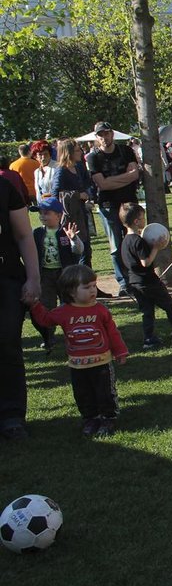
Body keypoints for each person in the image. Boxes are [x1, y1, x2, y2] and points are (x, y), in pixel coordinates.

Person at [29, 265, 127, 438]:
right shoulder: (63, 312)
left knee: (105, 393)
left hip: (101, 363)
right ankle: (90, 419)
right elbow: (45, 320)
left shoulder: (100, 310)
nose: (92, 290)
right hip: (77, 365)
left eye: (94, 286)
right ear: (72, 292)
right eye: (86, 287)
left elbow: (112, 332)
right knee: (83, 394)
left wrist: (120, 351)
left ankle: (108, 418)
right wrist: (34, 305)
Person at [119, 202, 172, 350]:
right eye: (142, 217)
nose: (144, 220)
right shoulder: (138, 241)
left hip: (134, 282)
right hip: (148, 282)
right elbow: (145, 262)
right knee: (168, 303)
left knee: (147, 311)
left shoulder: (125, 241)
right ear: (136, 221)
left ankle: (149, 339)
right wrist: (156, 247)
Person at [0, 174, 40, 441]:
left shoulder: (4, 188)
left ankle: (12, 416)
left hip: (6, 278)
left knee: (7, 344)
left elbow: (24, 235)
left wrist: (34, 278)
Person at [86, 121, 141, 295]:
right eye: (100, 135)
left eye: (107, 133)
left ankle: (136, 278)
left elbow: (135, 174)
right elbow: (102, 184)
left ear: (112, 134)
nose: (104, 137)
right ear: (96, 137)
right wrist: (125, 178)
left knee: (132, 241)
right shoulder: (93, 157)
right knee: (116, 245)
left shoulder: (126, 150)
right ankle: (124, 283)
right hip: (108, 205)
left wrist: (112, 181)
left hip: (129, 203)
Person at [29, 197, 83, 353]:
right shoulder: (37, 233)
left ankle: (72, 333)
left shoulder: (65, 231)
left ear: (59, 216)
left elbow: (78, 250)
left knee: (68, 304)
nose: (42, 216)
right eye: (40, 214)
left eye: (46, 213)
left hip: (64, 274)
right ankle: (48, 337)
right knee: (46, 306)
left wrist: (73, 239)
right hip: (45, 274)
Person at [52, 138, 93, 266]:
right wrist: (77, 195)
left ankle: (88, 281)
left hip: (81, 213)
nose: (80, 152)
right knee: (76, 250)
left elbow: (87, 183)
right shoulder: (61, 171)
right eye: (76, 150)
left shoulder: (79, 167)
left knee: (86, 249)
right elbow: (56, 193)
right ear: (68, 153)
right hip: (69, 217)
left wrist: (87, 197)